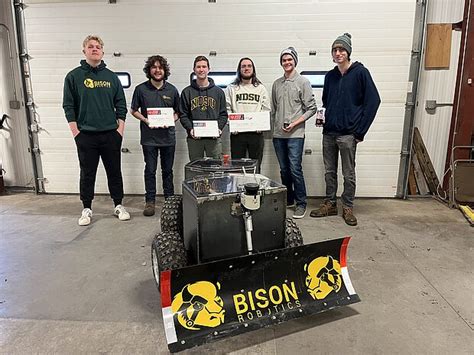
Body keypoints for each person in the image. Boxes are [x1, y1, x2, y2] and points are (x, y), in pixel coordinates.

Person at [310, 33, 381, 226]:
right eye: (335, 50)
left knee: (348, 173)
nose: (338, 53)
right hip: (329, 133)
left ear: (348, 52)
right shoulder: (330, 76)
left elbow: (373, 101)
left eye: (341, 49)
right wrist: (323, 119)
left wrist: (360, 131)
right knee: (329, 171)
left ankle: (348, 206)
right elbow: (326, 101)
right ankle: (330, 204)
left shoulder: (361, 73)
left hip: (348, 134)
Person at [63, 34, 130, 226]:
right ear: (84, 50)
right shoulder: (73, 77)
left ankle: (118, 205)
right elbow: (68, 106)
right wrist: (76, 133)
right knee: (87, 172)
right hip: (86, 135)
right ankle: (86, 208)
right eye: (91, 46)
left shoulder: (111, 78)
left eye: (98, 46)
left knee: (114, 171)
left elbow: (121, 106)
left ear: (102, 51)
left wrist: (120, 131)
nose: (95, 49)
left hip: (110, 134)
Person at [130, 55, 180, 216]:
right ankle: (150, 201)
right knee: (150, 170)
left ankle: (169, 200)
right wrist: (146, 120)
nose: (157, 70)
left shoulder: (172, 90)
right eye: (154, 67)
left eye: (160, 67)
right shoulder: (141, 89)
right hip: (149, 138)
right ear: (149, 70)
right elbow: (133, 110)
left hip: (168, 137)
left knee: (167, 170)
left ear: (165, 71)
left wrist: (171, 120)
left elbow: (179, 112)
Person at [271, 47, 317, 219]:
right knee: (284, 170)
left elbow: (312, 108)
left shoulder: (303, 82)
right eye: (284, 60)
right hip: (279, 136)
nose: (287, 62)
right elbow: (274, 109)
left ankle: (301, 203)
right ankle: (289, 199)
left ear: (295, 61)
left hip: (295, 136)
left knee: (295, 169)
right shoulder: (277, 84)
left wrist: (295, 123)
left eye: (290, 59)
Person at [225, 57, 270, 172]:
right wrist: (231, 125)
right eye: (243, 66)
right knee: (237, 167)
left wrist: (261, 125)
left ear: (253, 69)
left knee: (255, 166)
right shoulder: (231, 88)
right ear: (239, 69)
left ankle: (254, 189)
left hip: (256, 134)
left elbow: (266, 109)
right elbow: (227, 108)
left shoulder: (261, 88)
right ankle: (238, 189)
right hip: (237, 134)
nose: (246, 68)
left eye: (249, 66)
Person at [179, 56, 228, 161]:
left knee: (215, 168)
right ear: (194, 70)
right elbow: (183, 114)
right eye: (198, 67)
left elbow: (223, 114)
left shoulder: (218, 92)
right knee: (196, 169)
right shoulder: (186, 92)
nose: (201, 69)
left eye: (204, 67)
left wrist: (219, 128)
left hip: (214, 139)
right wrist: (190, 129)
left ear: (208, 69)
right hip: (194, 139)